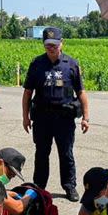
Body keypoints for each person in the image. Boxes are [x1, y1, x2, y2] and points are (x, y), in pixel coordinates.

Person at [22, 27, 90, 202]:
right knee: (41, 153)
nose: (51, 48)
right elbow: (28, 92)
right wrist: (25, 117)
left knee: (66, 153)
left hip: (64, 119)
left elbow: (81, 92)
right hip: (42, 118)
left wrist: (86, 117)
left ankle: (69, 187)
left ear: (61, 43)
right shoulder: (37, 64)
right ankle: (39, 188)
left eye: (54, 44)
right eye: (47, 45)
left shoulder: (71, 64)